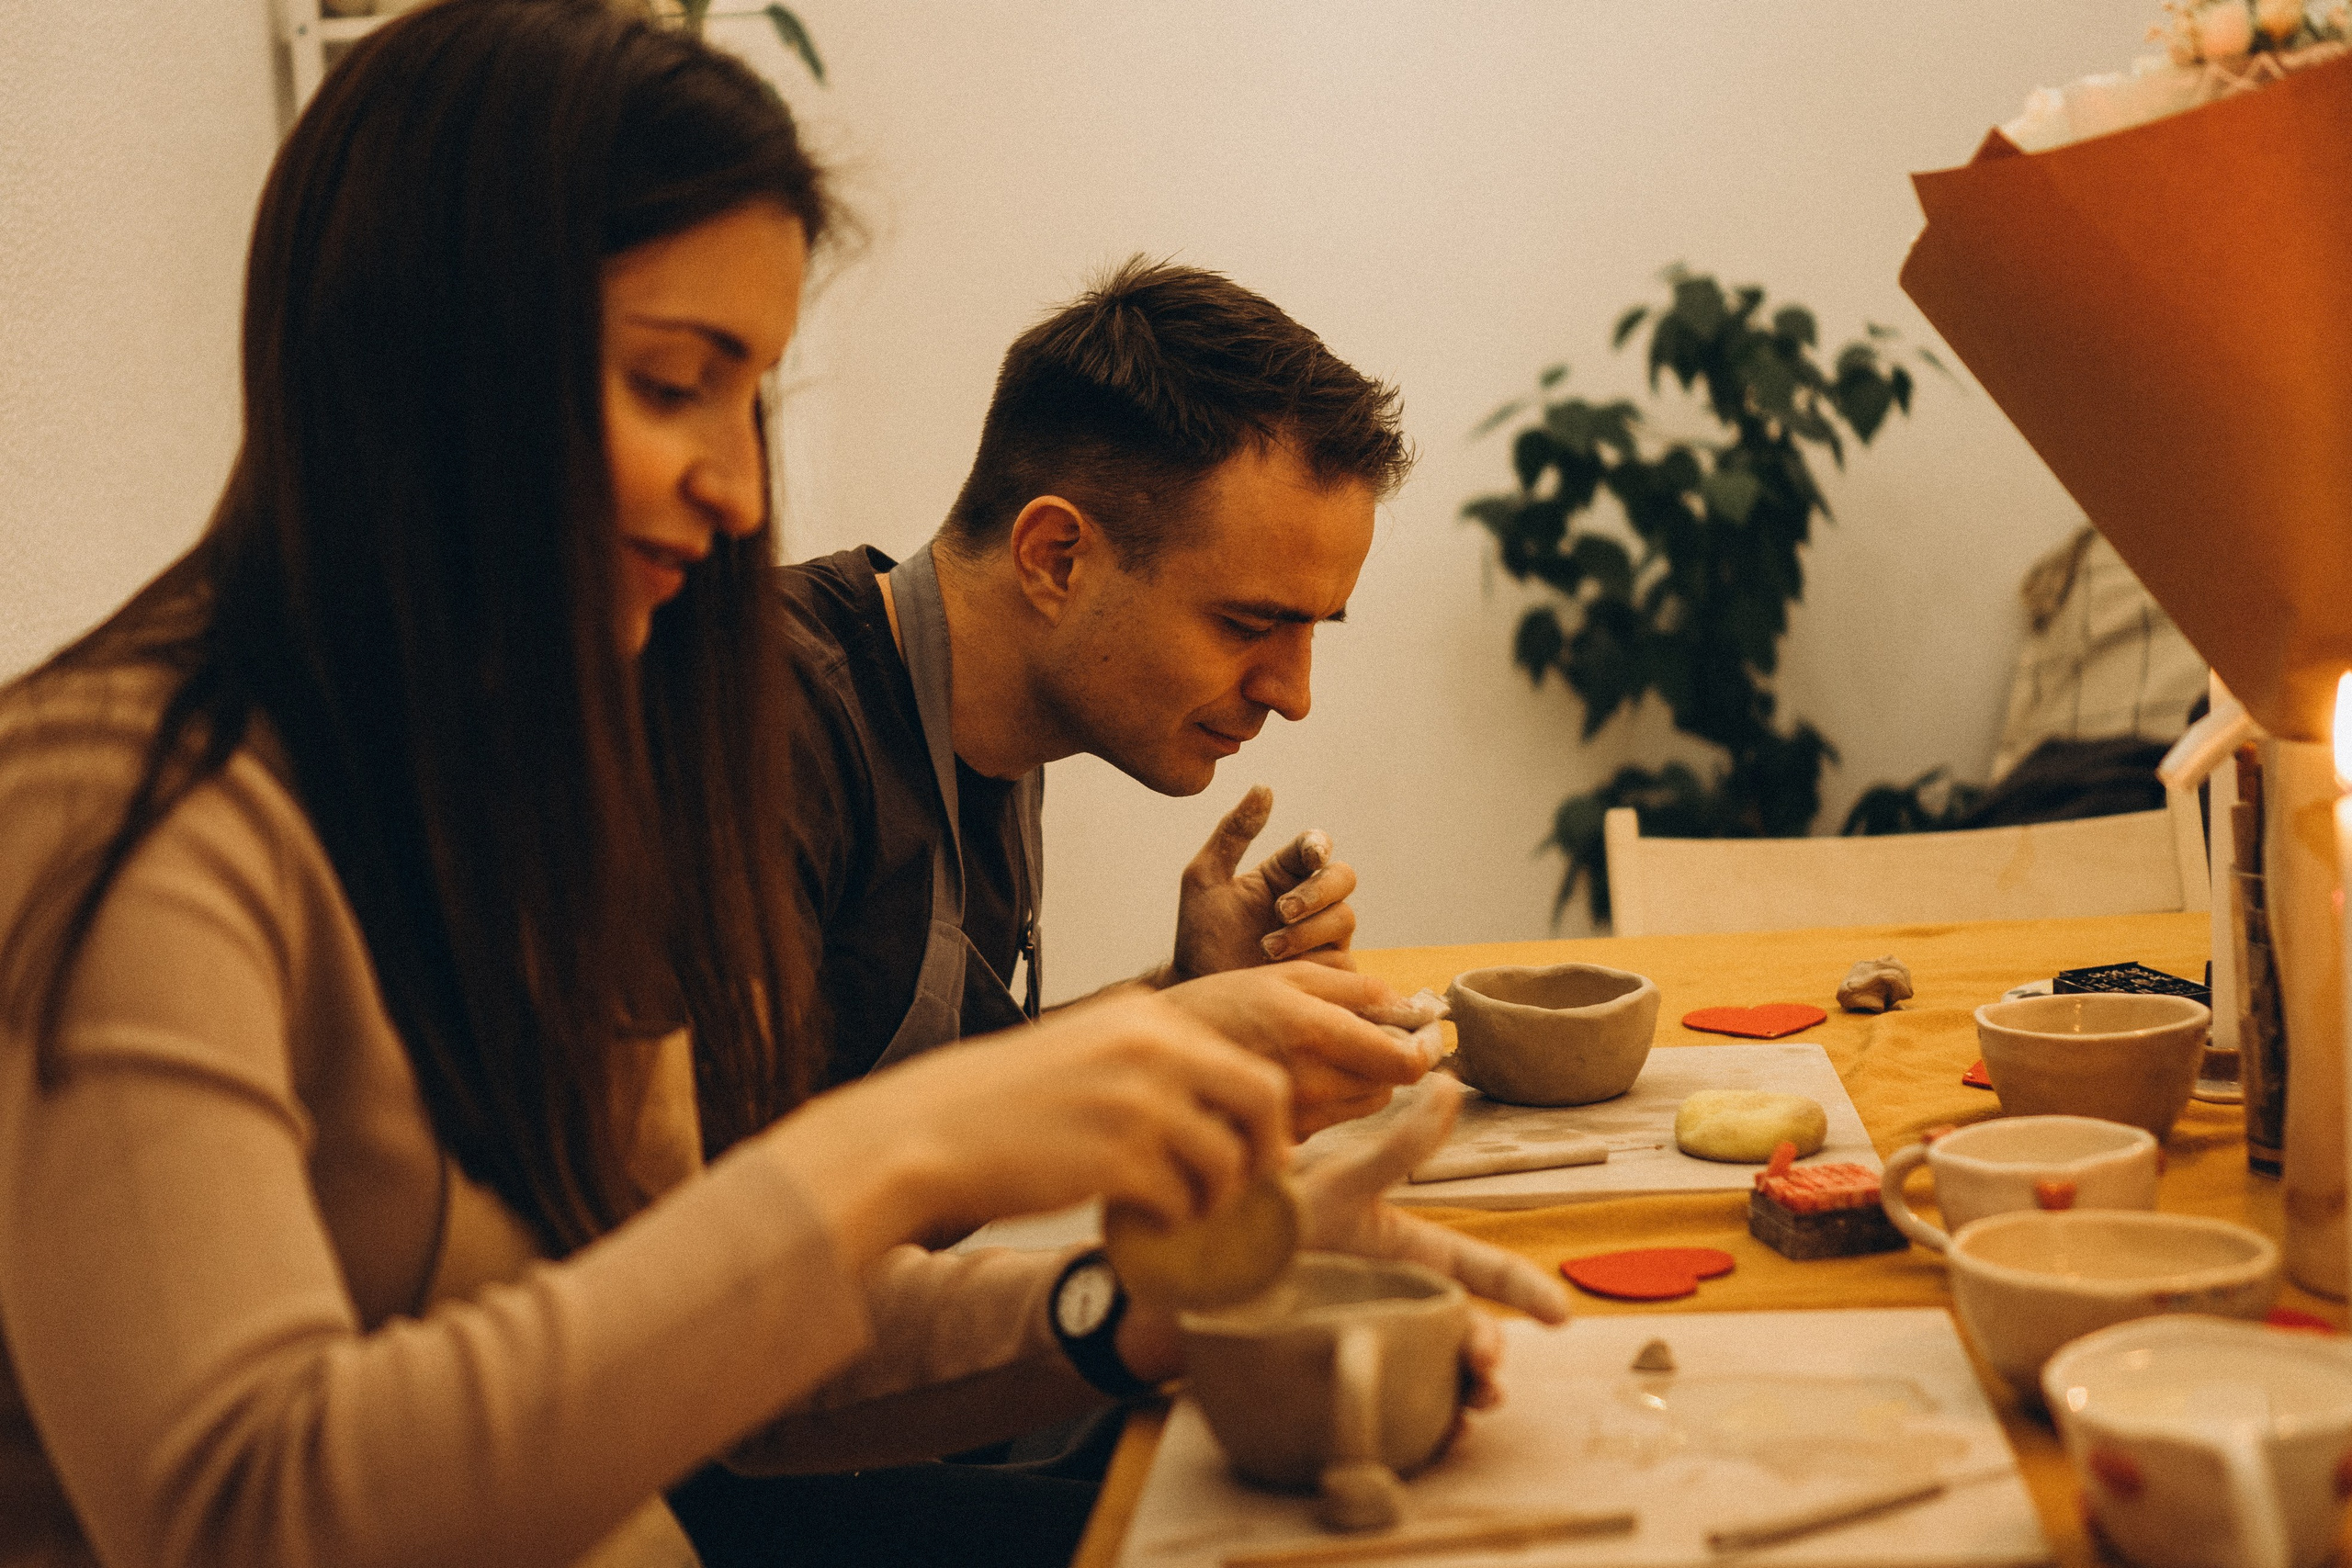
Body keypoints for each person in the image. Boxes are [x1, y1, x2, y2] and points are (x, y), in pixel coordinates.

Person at [0, 6, 1567, 1568]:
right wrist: (905, 1143)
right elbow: (237, 1506)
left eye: (748, 396)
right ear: (424, 355)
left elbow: (719, 1357)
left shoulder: (539, 778)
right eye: (674, 382)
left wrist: (1135, 1309)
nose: (741, 487)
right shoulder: (112, 808)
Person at [783, 259, 1431, 1134]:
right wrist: (1163, 1040)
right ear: (1056, 559)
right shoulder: (759, 723)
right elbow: (718, 1225)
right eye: (1248, 624)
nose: (1295, 695)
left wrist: (1185, 990)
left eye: (1318, 628)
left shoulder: (1005, 710)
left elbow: (942, 1091)